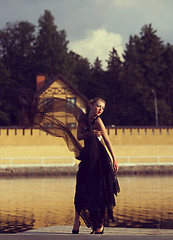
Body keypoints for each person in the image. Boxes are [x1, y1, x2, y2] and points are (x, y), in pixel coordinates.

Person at [72, 97, 120, 234]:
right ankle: (76, 222)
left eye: (103, 108)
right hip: (87, 157)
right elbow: (79, 136)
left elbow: (107, 141)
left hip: (100, 158)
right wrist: (90, 133)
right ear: (91, 105)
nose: (100, 110)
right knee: (80, 188)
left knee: (101, 191)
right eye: (98, 106)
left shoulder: (98, 121)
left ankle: (99, 225)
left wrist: (115, 160)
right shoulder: (83, 119)